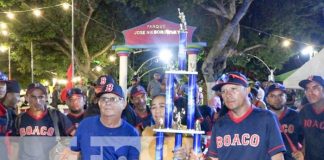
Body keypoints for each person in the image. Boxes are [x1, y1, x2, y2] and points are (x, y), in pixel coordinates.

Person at [192, 72, 285, 160]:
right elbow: (213, 158)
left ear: (247, 90)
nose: (228, 94)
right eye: (223, 91)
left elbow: (277, 157)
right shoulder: (220, 124)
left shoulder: (267, 118)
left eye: (233, 89)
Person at [70, 80, 140, 159]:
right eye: (104, 99)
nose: (107, 102)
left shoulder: (131, 133)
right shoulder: (84, 125)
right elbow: (72, 152)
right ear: (99, 103)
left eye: (113, 99)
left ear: (123, 104)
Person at [15, 83, 75, 160]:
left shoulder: (56, 116)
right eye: (33, 97)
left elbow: (76, 135)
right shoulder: (20, 119)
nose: (37, 101)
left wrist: (69, 150)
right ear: (27, 98)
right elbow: (14, 146)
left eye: (41, 97)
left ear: (46, 97)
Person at [141, 94, 192, 160]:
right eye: (153, 107)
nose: (157, 111)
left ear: (173, 109)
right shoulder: (147, 132)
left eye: (162, 106)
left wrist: (186, 158)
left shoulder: (186, 133)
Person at [265, 83, 304, 160]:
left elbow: (305, 138)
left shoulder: (296, 116)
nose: (277, 99)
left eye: (281, 95)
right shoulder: (262, 118)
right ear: (267, 99)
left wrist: (302, 152)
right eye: (272, 96)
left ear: (286, 97)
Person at [298, 75, 324, 160]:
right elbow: (306, 135)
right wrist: (302, 151)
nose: (310, 92)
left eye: (315, 88)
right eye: (307, 89)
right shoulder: (304, 111)